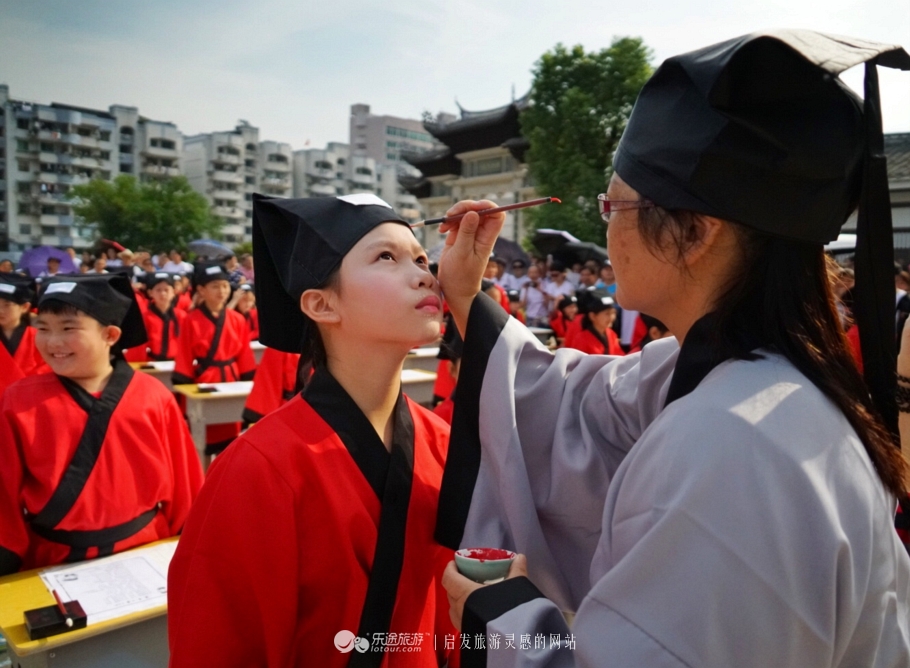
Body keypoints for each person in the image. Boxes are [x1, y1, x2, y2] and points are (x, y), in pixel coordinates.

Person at [434, 31, 910, 666]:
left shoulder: (732, 444)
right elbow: (574, 399)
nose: (608, 225)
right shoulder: (755, 384)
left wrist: (503, 613)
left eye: (616, 203)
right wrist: (469, 296)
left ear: (695, 231)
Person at [168, 194, 459, 667]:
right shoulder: (257, 470)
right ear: (321, 305)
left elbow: (450, 626)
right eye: (386, 256)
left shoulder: (441, 442)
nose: (426, 274)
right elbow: (216, 648)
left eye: (422, 258)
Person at [0, 274, 203, 574]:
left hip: (146, 549)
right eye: (42, 329)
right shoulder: (18, 401)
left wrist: (191, 543)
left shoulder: (153, 396)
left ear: (110, 334)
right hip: (53, 560)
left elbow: (186, 484)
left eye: (68, 328)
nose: (53, 341)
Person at [172, 262, 256, 457]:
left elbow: (244, 356)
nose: (222, 291)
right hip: (205, 381)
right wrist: (185, 384)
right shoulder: (191, 319)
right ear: (201, 289)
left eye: (225, 285)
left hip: (231, 382)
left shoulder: (237, 319)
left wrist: (247, 383)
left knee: (232, 441)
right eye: (215, 286)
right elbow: (184, 355)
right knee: (203, 440)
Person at [0, 274, 47, 376]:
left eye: (7, 305)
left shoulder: (38, 336)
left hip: (29, 389)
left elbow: (46, 367)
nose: (0, 310)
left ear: (25, 307)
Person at [133, 272, 187, 362]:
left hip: (176, 363)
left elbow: (187, 343)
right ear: (150, 293)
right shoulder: (144, 317)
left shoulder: (182, 316)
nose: (163, 294)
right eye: (158, 290)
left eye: (166, 290)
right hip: (152, 363)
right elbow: (139, 347)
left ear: (174, 292)